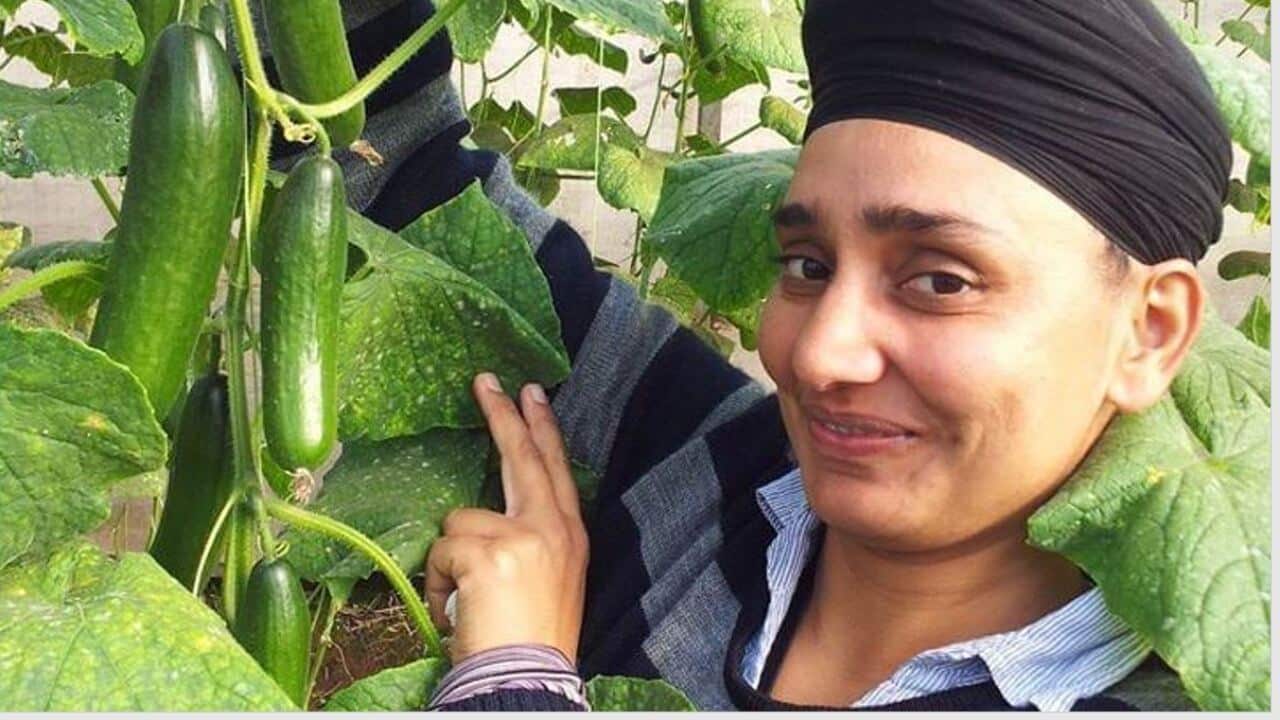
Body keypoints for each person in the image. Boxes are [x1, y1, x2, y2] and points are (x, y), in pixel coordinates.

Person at [272, 0, 1230, 710]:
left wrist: (513, 681)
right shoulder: (704, 463)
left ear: (1148, 332)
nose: (819, 354)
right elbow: (394, 178)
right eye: (808, 263)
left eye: (941, 280)